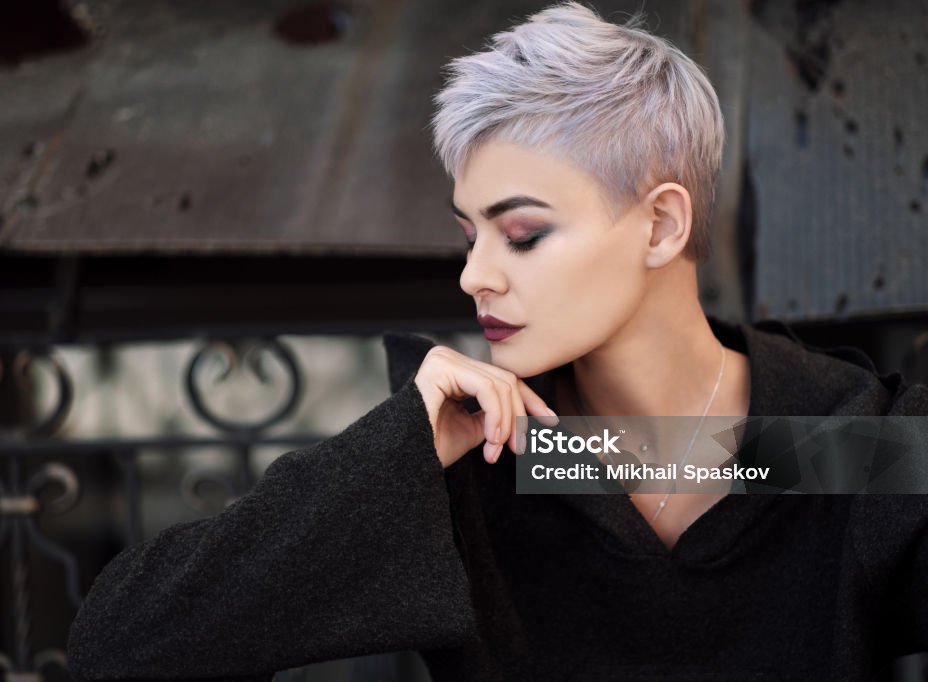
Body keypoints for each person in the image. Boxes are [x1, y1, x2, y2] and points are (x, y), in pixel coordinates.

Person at [67, 3, 928, 680]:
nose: (475, 275)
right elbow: (122, 646)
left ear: (662, 225)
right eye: (467, 235)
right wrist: (394, 449)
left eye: (519, 234)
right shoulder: (487, 458)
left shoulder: (832, 438)